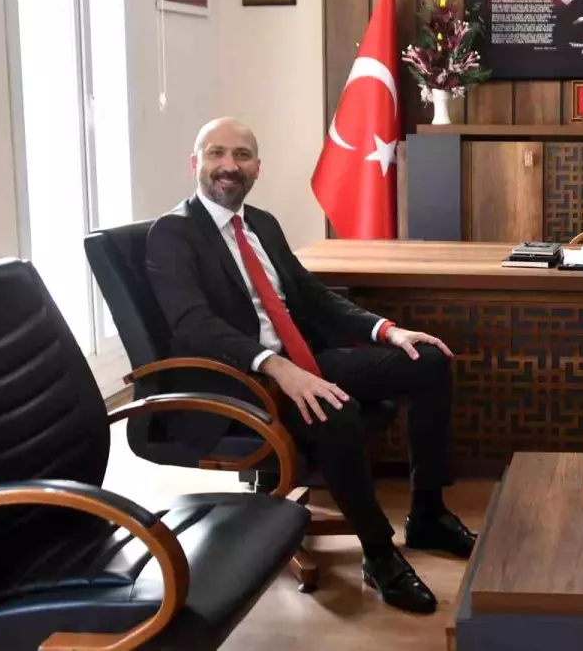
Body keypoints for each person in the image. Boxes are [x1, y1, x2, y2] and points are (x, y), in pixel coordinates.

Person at [146, 117, 474, 616]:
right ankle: (379, 554)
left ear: (257, 167)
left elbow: (312, 296)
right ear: (195, 163)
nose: (229, 165)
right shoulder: (173, 233)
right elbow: (193, 324)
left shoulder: (262, 223)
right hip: (241, 381)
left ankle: (428, 513)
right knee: (334, 408)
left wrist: (388, 330)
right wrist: (275, 366)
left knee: (427, 361)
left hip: (301, 359)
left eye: (241, 155)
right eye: (216, 153)